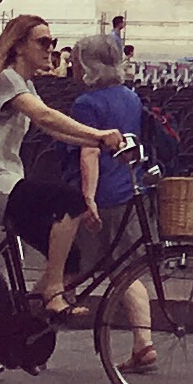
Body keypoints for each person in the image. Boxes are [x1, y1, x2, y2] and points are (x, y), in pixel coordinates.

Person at [0, 16, 135, 297]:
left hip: (7, 181)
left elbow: (54, 131)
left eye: (52, 42)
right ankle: (53, 292)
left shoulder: (25, 84)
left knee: (71, 259)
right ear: (18, 46)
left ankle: (33, 312)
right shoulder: (6, 78)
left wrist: (98, 142)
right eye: (42, 42)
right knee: (70, 201)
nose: (50, 48)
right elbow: (44, 116)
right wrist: (99, 134)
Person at [44, 31, 149, 321]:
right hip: (127, 187)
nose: (73, 67)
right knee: (125, 272)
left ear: (90, 66)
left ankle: (39, 327)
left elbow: (89, 152)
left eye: (77, 62)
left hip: (98, 193)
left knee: (67, 268)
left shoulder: (86, 104)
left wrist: (87, 198)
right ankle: (144, 339)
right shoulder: (131, 97)